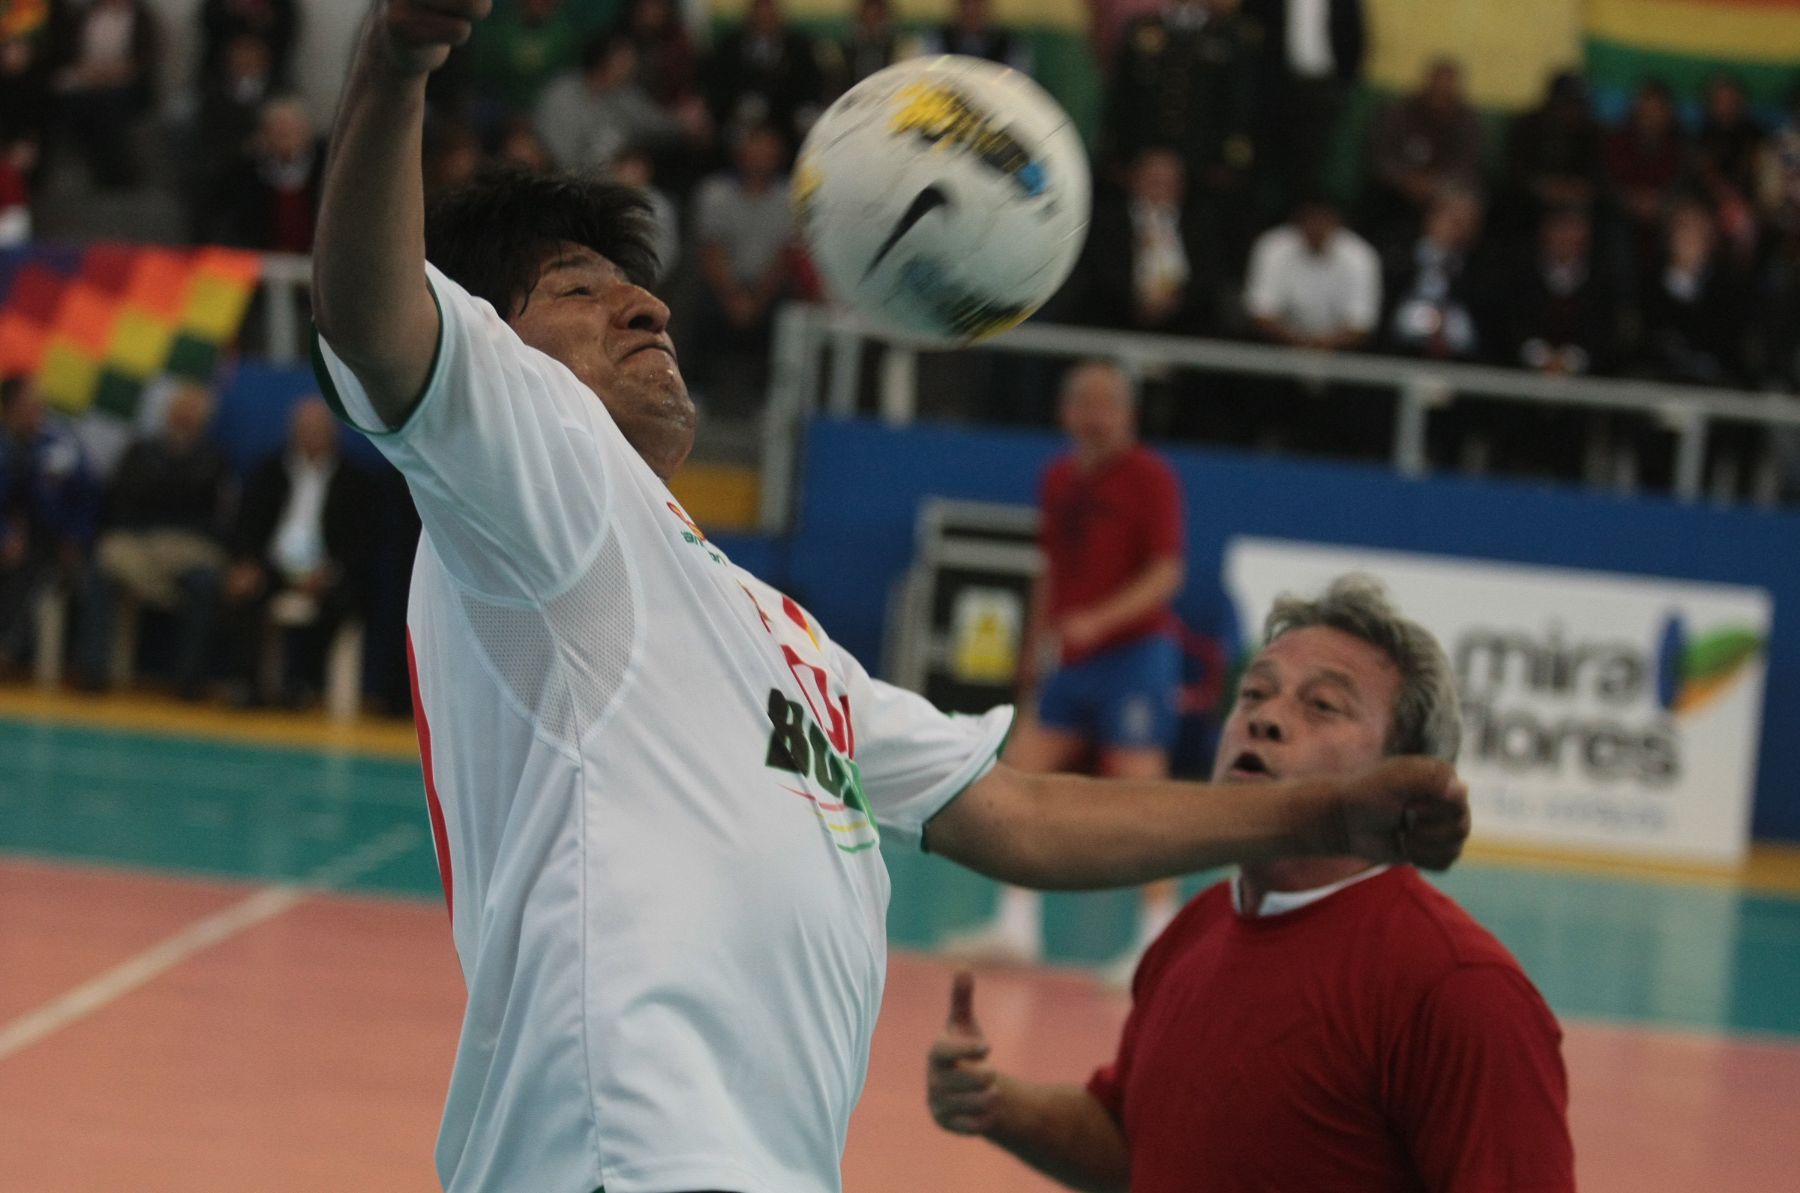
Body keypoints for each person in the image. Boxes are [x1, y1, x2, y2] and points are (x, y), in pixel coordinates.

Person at [308, 7, 1470, 1192]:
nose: (648, 309)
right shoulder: (535, 486)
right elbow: (373, 312)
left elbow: (1017, 816)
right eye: (579, 287)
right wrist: (397, 63)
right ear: (493, 346)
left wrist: (1321, 822)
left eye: (641, 289)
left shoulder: (779, 632)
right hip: (618, 1157)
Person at [927, 575, 1575, 1193]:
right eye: (1254, 693)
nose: (1265, 719)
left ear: (1403, 773)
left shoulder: (1458, 987)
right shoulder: (1195, 930)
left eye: (1322, 705)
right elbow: (1134, 1143)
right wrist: (996, 1102)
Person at [943, 361, 1188, 983]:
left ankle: (1156, 944)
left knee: (1140, 794)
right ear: (1066, 412)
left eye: (1108, 402)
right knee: (1016, 777)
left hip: (1135, 656)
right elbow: (1052, 569)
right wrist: (1034, 647)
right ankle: (1016, 928)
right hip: (1072, 662)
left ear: (1128, 413)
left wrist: (1100, 623)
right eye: (1085, 401)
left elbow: (1166, 574)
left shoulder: (1150, 478)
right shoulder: (1057, 478)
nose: (1096, 414)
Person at [72, 381, 232, 695]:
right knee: (102, 569)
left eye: (193, 412)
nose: (185, 417)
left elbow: (216, 515)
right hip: (137, 543)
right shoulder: (140, 451)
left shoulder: (215, 459)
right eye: (179, 410)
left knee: (205, 581)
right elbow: (118, 501)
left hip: (186, 548)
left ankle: (188, 679)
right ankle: (93, 669)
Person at [218, 395, 374, 708]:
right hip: (272, 567)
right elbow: (245, 525)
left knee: (339, 602)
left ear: (333, 432)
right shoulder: (269, 470)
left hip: (326, 570)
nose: (310, 436)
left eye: (317, 429)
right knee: (242, 593)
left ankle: (301, 686)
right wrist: (246, 564)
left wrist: (329, 571)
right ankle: (247, 685)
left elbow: (363, 540)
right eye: (303, 429)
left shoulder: (354, 480)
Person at [0, 374, 96, 672]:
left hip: (46, 540)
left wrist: (74, 537)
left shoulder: (59, 445)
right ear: (10, 408)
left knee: (33, 565)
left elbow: (87, 494)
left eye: (40, 405)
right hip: (12, 535)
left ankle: (9, 648)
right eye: (30, 404)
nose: (38, 411)